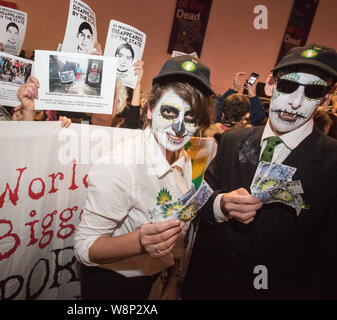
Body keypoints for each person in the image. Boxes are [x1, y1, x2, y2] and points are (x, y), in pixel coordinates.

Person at [182, 44, 337, 300]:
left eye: (313, 92)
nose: (295, 103)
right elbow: (197, 201)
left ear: (327, 97)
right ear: (270, 84)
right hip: (206, 287)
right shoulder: (233, 140)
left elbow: (328, 261)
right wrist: (220, 205)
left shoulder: (331, 163)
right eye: (287, 86)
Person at [74, 55, 215, 300]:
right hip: (113, 287)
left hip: (154, 281)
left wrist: (172, 280)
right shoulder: (120, 165)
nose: (179, 128)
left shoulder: (185, 158)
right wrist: (139, 241)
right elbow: (85, 247)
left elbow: (178, 228)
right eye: (169, 112)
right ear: (149, 110)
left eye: (190, 117)